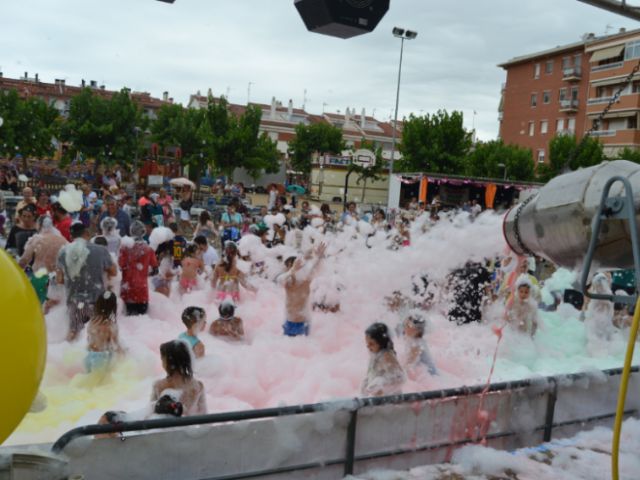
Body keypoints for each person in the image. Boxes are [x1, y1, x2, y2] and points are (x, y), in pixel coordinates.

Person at [56, 222, 117, 341]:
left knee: (74, 333)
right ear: (87, 233)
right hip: (97, 302)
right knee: (99, 337)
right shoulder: (100, 250)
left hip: (75, 301)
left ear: (71, 236)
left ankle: (64, 356)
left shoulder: (63, 252)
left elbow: (59, 279)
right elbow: (114, 272)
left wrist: (75, 277)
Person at [19, 216, 68, 304]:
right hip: (57, 281)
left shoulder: (37, 239)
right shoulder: (62, 240)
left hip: (40, 278)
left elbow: (24, 260)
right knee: (54, 311)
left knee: (38, 309)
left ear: (39, 225)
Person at [280, 242, 326, 336]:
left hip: (304, 322)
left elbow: (315, 269)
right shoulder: (288, 282)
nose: (286, 269)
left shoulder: (305, 280)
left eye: (288, 267)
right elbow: (279, 280)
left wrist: (319, 257)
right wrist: (293, 270)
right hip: (291, 322)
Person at [151, 340, 207, 416]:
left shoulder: (158, 386)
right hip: (190, 426)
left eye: (162, 359)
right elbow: (204, 415)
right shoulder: (198, 386)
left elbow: (151, 413)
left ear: (169, 362)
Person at [119, 221, 158, 316]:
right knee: (143, 321)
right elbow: (155, 269)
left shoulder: (124, 248)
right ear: (143, 232)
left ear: (131, 231)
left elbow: (120, 265)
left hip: (128, 290)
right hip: (142, 291)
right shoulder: (148, 249)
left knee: (129, 323)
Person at [361, 322, 405, 397]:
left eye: (371, 344)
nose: (368, 346)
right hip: (378, 397)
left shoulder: (386, 356)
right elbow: (371, 373)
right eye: (367, 343)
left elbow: (400, 377)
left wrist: (380, 382)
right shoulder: (375, 353)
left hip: (390, 399)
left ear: (381, 343)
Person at [85, 291, 123, 372]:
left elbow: (89, 339)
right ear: (113, 306)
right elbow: (115, 345)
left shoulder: (92, 322)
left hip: (88, 357)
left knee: (90, 381)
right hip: (102, 359)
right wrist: (124, 355)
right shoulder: (110, 325)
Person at [447, 260, 492, 325]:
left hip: (454, 314)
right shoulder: (483, 271)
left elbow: (448, 289)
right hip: (474, 317)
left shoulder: (458, 268)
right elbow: (487, 297)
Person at [402, 312, 438, 377]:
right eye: (405, 325)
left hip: (429, 376)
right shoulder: (414, 340)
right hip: (425, 371)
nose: (405, 328)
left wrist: (401, 372)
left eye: (408, 326)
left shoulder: (416, 344)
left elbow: (410, 363)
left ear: (417, 330)